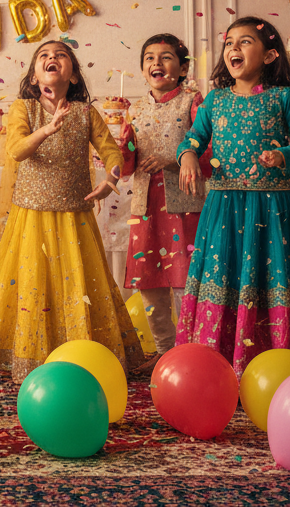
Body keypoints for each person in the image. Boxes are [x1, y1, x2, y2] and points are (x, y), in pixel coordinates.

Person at [177, 17, 290, 375]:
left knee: (274, 278)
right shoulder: (214, 100)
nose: (233, 48)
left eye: (245, 42)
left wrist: (285, 154)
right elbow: (192, 139)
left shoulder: (283, 97)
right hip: (223, 209)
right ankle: (217, 367)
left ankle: (279, 365)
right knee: (225, 277)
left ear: (270, 55)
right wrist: (188, 155)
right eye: (229, 43)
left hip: (272, 208)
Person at [0, 40, 142, 382]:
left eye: (61, 55)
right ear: (35, 77)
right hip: (30, 216)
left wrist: (109, 182)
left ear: (75, 77)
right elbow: (17, 149)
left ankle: (80, 353)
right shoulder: (24, 109)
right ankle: (28, 355)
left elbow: (113, 154)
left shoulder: (85, 113)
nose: (52, 59)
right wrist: (48, 128)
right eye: (44, 57)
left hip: (73, 216)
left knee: (77, 284)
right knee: (34, 284)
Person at [119, 34, 209, 366]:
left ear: (183, 67)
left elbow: (213, 155)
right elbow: (127, 166)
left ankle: (192, 354)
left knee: (186, 281)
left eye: (166, 57)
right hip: (145, 208)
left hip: (185, 206)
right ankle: (163, 353)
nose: (157, 63)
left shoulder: (194, 102)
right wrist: (120, 146)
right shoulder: (134, 108)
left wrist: (176, 160)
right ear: (143, 70)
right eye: (150, 58)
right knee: (150, 282)